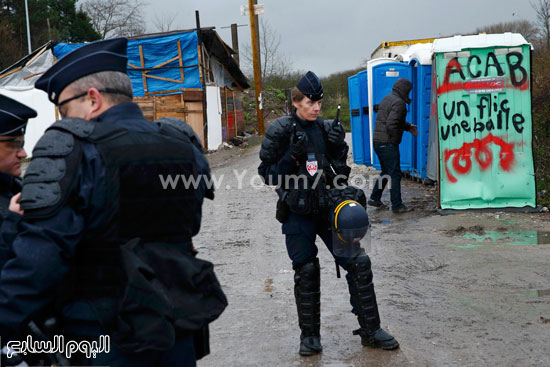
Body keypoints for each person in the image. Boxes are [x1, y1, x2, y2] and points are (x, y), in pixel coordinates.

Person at [0, 38, 225, 367]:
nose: (64, 119)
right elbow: (187, 227)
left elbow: (42, 256)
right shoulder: (183, 146)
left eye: (64, 109)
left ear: (92, 99)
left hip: (104, 336)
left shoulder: (72, 148)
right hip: (175, 330)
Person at [258, 71, 399, 356]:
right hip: (297, 211)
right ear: (296, 102)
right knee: (307, 270)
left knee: (359, 263)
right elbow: (268, 175)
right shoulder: (281, 130)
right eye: (311, 102)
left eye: (319, 102)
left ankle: (371, 330)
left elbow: (340, 176)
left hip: (327, 208)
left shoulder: (324, 128)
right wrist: (291, 157)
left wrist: (338, 149)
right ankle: (309, 337)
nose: (316, 107)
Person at [368, 78, 418, 213]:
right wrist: (394, 140)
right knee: (395, 174)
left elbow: (394, 120)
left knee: (386, 171)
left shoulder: (388, 98)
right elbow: (391, 124)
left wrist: (408, 127)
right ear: (405, 90)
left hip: (378, 141)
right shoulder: (399, 103)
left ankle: (374, 198)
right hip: (387, 143)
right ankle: (397, 205)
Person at [0, 94, 35, 265]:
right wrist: (13, 222)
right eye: (14, 145)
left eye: (22, 144)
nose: (24, 154)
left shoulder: (14, 187)